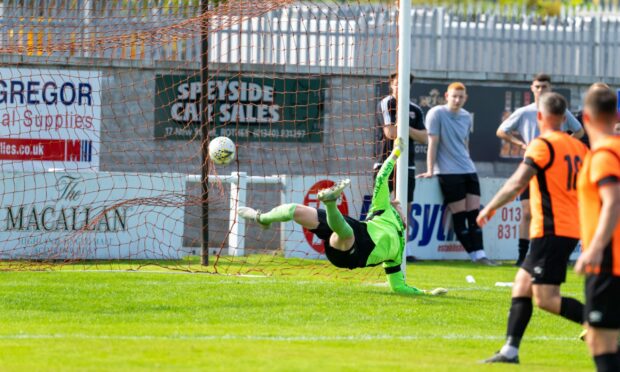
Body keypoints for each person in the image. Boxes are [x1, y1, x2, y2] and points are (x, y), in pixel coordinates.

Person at [238, 139, 447, 296]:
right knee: (297, 210)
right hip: (353, 228)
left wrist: (428, 294)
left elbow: (399, 287)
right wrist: (396, 152)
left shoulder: (398, 252)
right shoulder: (382, 209)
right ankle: (263, 218)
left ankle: (330, 202)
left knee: (345, 233)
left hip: (351, 254)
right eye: (399, 207)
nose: (402, 211)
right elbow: (382, 178)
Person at [478, 92, 588, 364]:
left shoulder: (542, 145)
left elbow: (517, 183)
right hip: (567, 227)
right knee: (522, 285)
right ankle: (510, 350)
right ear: (564, 118)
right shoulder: (580, 148)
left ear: (539, 116)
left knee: (547, 300)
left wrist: (490, 207)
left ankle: (607, 322)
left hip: (551, 229)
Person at [497, 73, 585, 266]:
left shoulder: (560, 111)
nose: (540, 90)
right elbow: (501, 131)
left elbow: (579, 130)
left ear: (549, 89)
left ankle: (548, 255)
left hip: (554, 170)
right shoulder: (524, 111)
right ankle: (523, 257)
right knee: (527, 212)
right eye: (537, 87)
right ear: (532, 88)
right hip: (532, 166)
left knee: (551, 212)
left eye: (544, 87)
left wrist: (564, 144)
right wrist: (520, 144)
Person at [417, 82, 495, 265]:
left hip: (469, 169)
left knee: (474, 215)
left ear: (465, 98)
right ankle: (475, 256)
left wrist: (468, 162)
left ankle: (481, 254)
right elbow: (432, 144)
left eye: (461, 97)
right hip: (448, 172)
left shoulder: (466, 116)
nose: (458, 100)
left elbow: (465, 143)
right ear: (446, 96)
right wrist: (430, 170)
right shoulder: (436, 113)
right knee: (459, 217)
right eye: (454, 96)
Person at [574, 85, 620, 372]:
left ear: (585, 119)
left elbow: (613, 202)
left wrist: (594, 249)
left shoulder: (603, 155)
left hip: (608, 261)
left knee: (600, 341)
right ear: (615, 115)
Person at [375, 71, 428, 262]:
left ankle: (404, 250)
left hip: (408, 165)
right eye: (397, 83)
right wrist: (409, 131)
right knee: (382, 208)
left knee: (405, 209)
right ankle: (379, 249)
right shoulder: (387, 103)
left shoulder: (415, 109)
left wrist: (405, 129)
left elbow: (424, 137)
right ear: (391, 84)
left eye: (404, 84)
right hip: (385, 163)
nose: (400, 87)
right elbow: (390, 133)